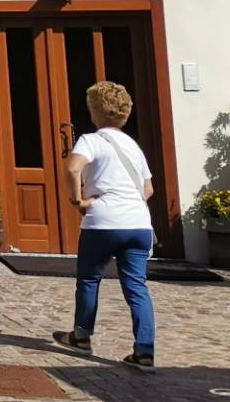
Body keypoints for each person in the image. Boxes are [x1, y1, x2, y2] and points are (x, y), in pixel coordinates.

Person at [53, 80, 156, 371]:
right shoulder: (133, 146)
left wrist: (78, 201)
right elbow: (148, 189)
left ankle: (82, 336)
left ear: (95, 111)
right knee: (137, 287)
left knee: (89, 279)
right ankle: (144, 351)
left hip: (103, 222)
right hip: (138, 223)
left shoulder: (92, 140)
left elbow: (73, 169)